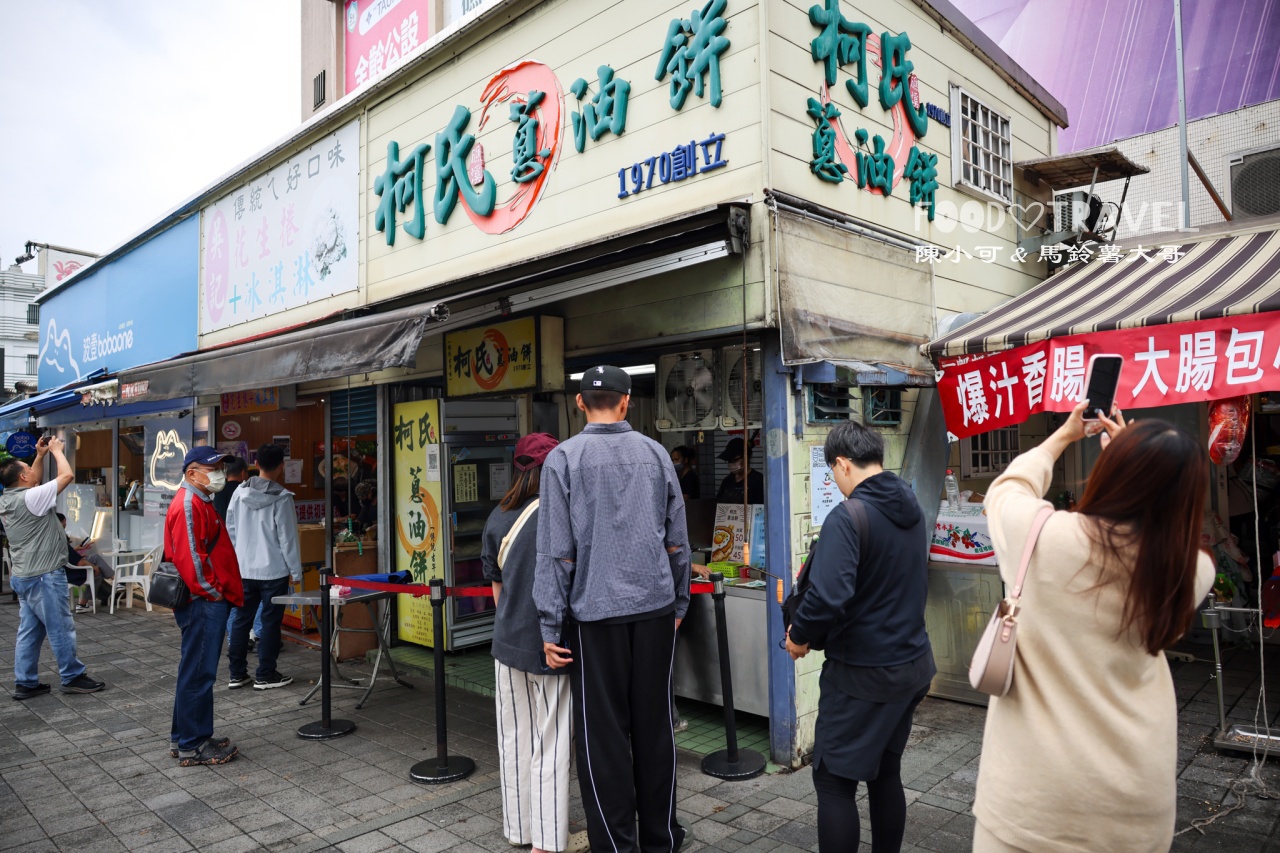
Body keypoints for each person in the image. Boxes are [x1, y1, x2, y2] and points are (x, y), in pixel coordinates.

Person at [972, 401, 1215, 852]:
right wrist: (1141, 460)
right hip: (1136, 802)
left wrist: (1065, 435)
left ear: (1111, 473)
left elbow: (1008, 489)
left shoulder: (1044, 536)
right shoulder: (1191, 572)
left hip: (1032, 802)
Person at [535, 365, 691, 853]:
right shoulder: (656, 453)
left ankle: (616, 845)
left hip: (593, 616)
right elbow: (677, 541)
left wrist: (549, 624)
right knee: (655, 729)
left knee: (602, 737)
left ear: (579, 404)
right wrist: (679, 601)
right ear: (627, 403)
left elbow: (556, 552)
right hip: (655, 611)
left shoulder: (562, 460)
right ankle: (660, 840)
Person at [785, 421, 934, 853]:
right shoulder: (911, 505)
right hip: (912, 664)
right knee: (886, 770)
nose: (834, 479)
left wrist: (799, 636)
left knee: (833, 780)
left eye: (834, 471)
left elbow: (829, 596)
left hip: (864, 674)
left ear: (843, 463)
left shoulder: (849, 517)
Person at [482, 433, 586, 853]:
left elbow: (497, 592)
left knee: (514, 740)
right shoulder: (565, 516)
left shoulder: (497, 517)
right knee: (553, 743)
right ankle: (547, 840)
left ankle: (519, 829)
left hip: (506, 644)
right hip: (553, 647)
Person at [2, 436, 106, 698]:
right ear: (23, 479)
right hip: (44, 575)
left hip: (25, 575)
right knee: (60, 626)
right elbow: (67, 475)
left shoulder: (9, 497)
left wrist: (38, 457)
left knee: (30, 630)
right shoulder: (32, 498)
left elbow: (33, 481)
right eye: (27, 469)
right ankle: (72, 676)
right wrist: (58, 452)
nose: (32, 472)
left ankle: (25, 681)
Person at [165, 446, 242, 766]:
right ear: (191, 473)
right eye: (212, 468)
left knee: (194, 671)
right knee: (199, 673)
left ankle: (185, 735)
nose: (219, 473)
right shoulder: (188, 503)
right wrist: (214, 593)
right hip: (202, 602)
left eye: (221, 467)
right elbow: (192, 560)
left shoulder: (199, 500)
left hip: (204, 600)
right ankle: (193, 745)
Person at [225, 443, 301, 691]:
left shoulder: (239, 493)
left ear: (255, 465)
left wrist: (239, 558)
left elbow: (231, 530)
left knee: (240, 621)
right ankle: (265, 674)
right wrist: (297, 572)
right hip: (274, 571)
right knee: (269, 624)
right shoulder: (282, 498)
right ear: (282, 466)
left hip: (244, 569)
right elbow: (288, 539)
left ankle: (237, 674)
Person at [215, 457, 261, 650]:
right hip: (247, 550)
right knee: (255, 595)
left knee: (234, 596)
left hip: (225, 551)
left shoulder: (218, 493)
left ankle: (234, 638)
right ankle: (256, 635)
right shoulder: (246, 492)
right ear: (244, 473)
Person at [56, 512, 115, 613]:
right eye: (64, 522)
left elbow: (67, 554)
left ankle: (111, 587)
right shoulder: (61, 537)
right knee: (96, 572)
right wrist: (94, 567)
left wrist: (76, 549)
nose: (65, 525)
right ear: (60, 523)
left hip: (65, 568)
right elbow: (81, 563)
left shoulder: (54, 537)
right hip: (72, 571)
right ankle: (83, 603)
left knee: (95, 557)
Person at [715, 436, 764, 503]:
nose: (731, 464)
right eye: (729, 461)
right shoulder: (727, 481)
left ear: (746, 457)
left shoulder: (758, 481)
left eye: (734, 460)